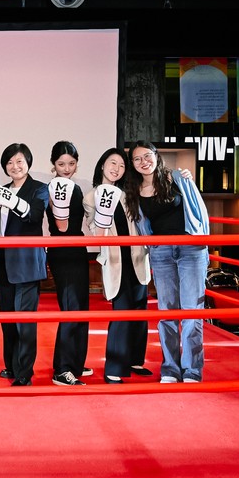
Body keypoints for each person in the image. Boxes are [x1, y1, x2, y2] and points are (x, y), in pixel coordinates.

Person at [122, 141, 209, 384]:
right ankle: (170, 368)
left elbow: (199, 212)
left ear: (156, 156)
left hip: (191, 249)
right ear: (133, 164)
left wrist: (204, 242)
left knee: (192, 312)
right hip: (161, 252)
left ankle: (192, 370)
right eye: (137, 159)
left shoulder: (178, 178)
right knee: (167, 313)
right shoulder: (134, 190)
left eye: (147, 156)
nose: (143, 162)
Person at [84, 147, 153, 384]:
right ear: (102, 165)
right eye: (112, 163)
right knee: (122, 312)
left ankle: (135, 359)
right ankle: (114, 366)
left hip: (136, 257)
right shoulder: (90, 197)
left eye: (122, 165)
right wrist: (103, 212)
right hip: (115, 259)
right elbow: (97, 234)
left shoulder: (129, 193)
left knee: (139, 310)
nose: (117, 168)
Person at [0, 143, 48, 387]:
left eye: (20, 161)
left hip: (25, 262)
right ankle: (11, 365)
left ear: (28, 163)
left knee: (24, 321)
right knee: (7, 319)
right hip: (3, 260)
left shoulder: (39, 189)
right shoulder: (0, 189)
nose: (15, 166)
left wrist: (13, 201)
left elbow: (34, 216)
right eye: (10, 162)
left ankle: (24, 372)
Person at [45, 141, 90, 386]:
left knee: (82, 307)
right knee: (71, 307)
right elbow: (61, 226)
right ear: (53, 164)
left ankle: (75, 363)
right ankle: (62, 368)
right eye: (61, 164)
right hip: (62, 248)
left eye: (71, 163)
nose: (66, 168)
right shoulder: (52, 188)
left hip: (78, 247)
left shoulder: (76, 187)